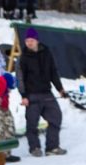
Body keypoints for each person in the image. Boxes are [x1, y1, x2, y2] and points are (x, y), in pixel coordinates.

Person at [15, 27, 67, 157]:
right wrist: (23, 95)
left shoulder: (47, 53)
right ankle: (35, 147)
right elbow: (19, 78)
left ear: (37, 40)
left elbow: (54, 72)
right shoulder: (23, 58)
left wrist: (60, 89)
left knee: (56, 118)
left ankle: (52, 147)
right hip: (31, 95)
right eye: (27, 41)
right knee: (32, 124)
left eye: (31, 40)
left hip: (46, 93)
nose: (29, 43)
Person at [0, 29, 18, 163]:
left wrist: (8, 81)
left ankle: (6, 152)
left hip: (1, 92)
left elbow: (2, 69)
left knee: (8, 123)